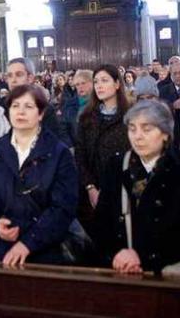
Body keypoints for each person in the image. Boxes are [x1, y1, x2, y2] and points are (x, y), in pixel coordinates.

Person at [92, 99, 180, 275]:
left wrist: (141, 257)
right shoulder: (116, 166)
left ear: (165, 134)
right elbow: (101, 222)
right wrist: (117, 254)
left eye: (146, 129)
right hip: (120, 268)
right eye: (132, 129)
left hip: (167, 271)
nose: (138, 136)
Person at [0, 85, 79, 267]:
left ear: (41, 114)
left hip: (46, 252)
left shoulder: (59, 153)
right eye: (15, 106)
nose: (20, 112)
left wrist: (28, 243)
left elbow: (63, 208)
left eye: (28, 107)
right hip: (0, 250)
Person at [75, 64, 131, 234]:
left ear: (117, 84)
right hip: (92, 188)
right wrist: (90, 187)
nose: (99, 85)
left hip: (123, 190)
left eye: (104, 80)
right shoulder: (86, 117)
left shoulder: (130, 116)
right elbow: (80, 155)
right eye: (96, 81)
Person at [5, 58, 70, 146]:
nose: (13, 80)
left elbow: (52, 142)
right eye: (9, 76)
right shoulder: (0, 108)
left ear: (30, 78)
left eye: (19, 75)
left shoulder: (44, 108)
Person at [61, 69, 93, 144]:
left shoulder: (101, 102)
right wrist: (70, 146)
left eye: (83, 83)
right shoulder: (69, 104)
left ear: (92, 83)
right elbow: (63, 127)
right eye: (77, 84)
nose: (80, 87)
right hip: (77, 148)